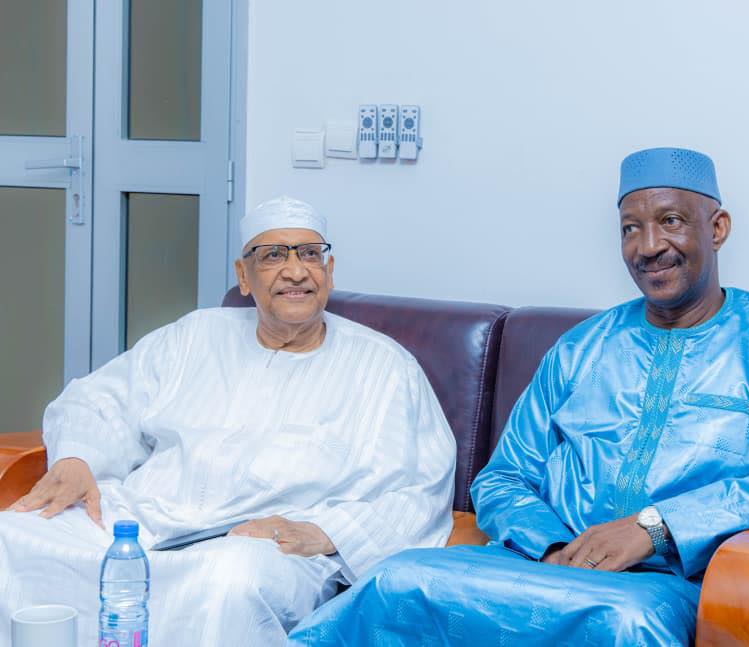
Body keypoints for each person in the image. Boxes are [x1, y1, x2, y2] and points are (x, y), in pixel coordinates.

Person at [287, 148, 749, 646]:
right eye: (630, 229)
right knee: (398, 579)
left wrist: (656, 527)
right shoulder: (583, 347)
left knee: (625, 622)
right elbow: (502, 477)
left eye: (670, 221)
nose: (648, 246)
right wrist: (553, 543)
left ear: (716, 228)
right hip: (538, 561)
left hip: (664, 583)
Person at [0, 197, 456, 646]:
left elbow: (420, 489)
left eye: (309, 254)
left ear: (328, 271)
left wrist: (328, 533)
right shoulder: (193, 336)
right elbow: (99, 400)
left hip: (263, 547)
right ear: (243, 276)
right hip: (142, 519)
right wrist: (77, 458)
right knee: (9, 537)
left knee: (228, 583)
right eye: (273, 255)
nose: (295, 271)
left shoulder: (383, 367)